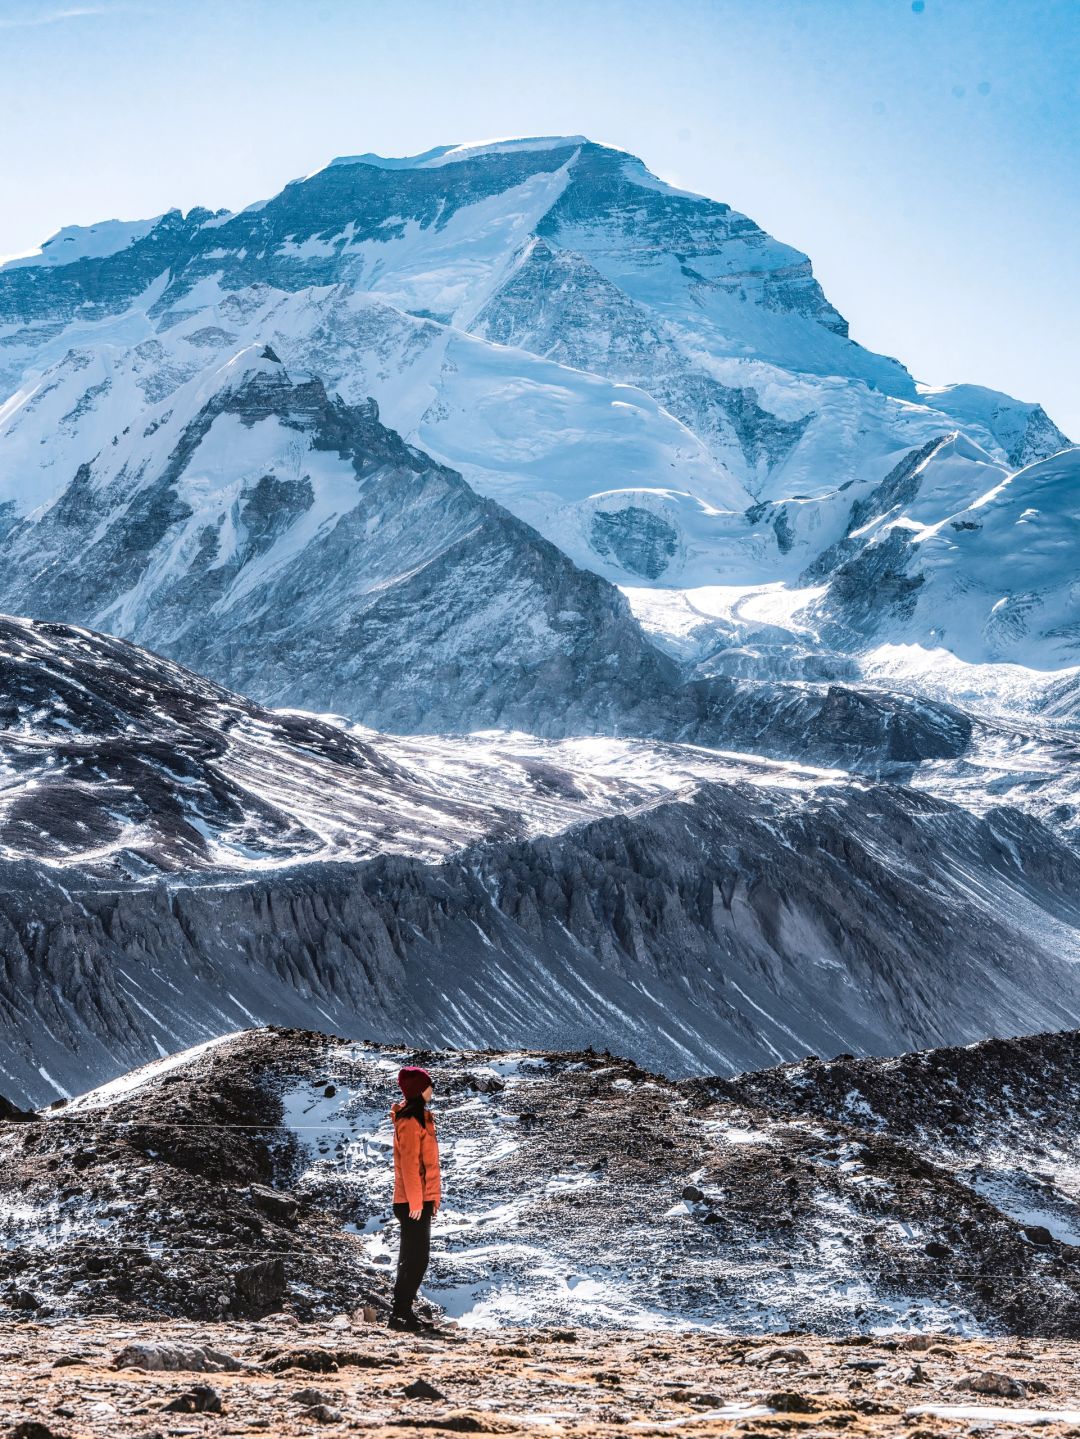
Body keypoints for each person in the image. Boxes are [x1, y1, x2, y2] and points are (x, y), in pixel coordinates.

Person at [389, 1065, 441, 1332]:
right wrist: (418, 1202)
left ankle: (401, 1313)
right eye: (429, 1085)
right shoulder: (410, 1122)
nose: (432, 1089)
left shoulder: (419, 1118)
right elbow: (410, 1165)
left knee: (412, 1257)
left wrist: (429, 1199)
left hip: (416, 1200)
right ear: (419, 1090)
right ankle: (400, 1314)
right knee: (416, 1259)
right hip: (412, 1202)